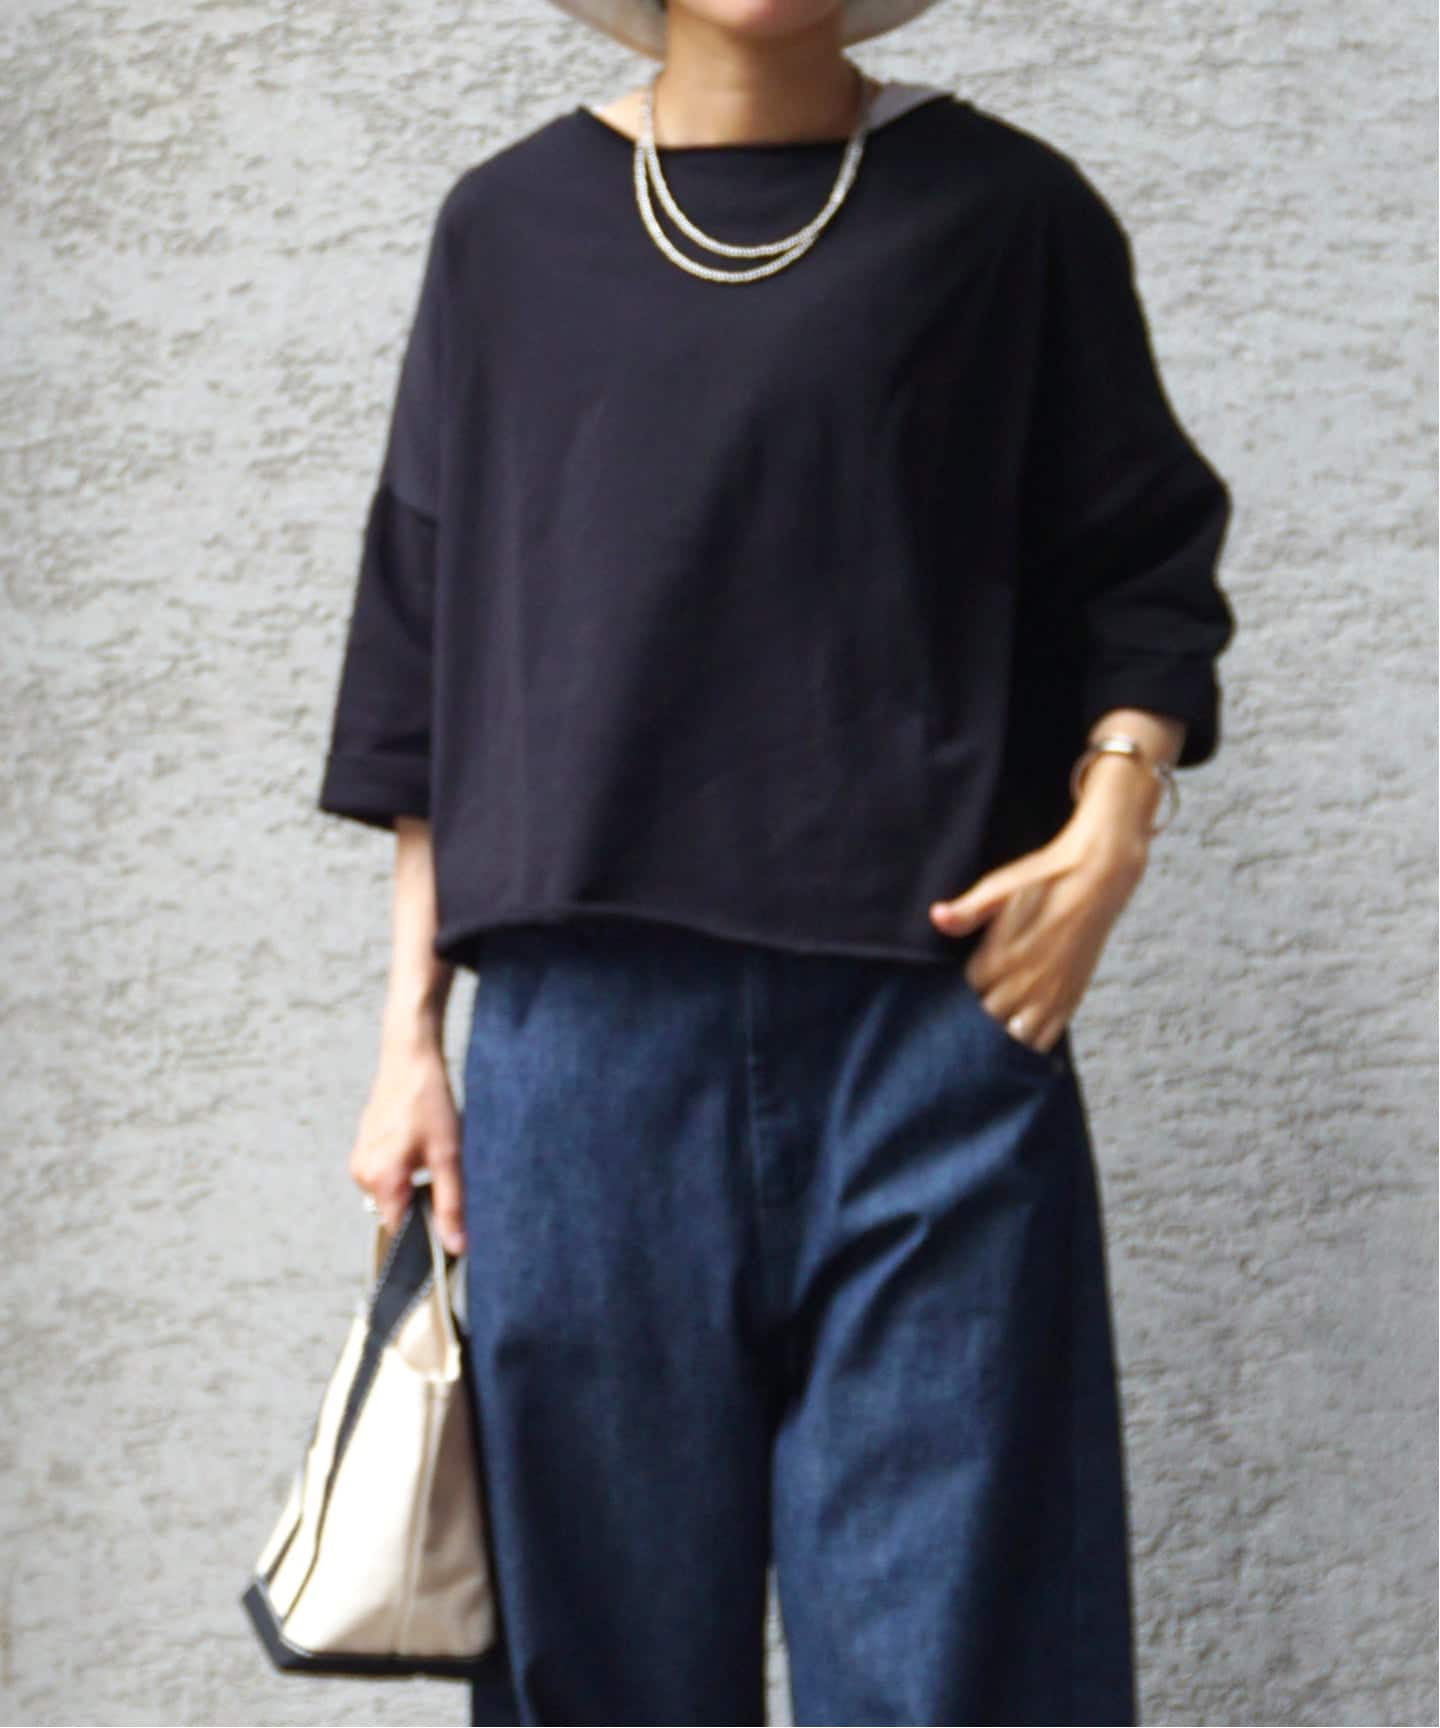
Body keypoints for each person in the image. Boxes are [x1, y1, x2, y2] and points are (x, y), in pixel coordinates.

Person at [317, 0, 1236, 1721]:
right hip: (582, 1068)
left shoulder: (1009, 215)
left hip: (935, 1042)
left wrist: (1110, 830)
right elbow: (423, 658)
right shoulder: (506, 230)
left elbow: (1147, 568)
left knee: (957, 1678)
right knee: (600, 1681)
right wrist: (407, 1045)